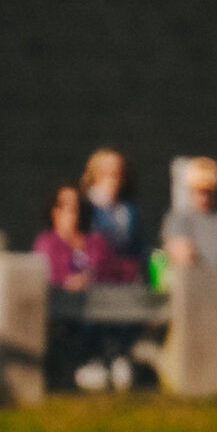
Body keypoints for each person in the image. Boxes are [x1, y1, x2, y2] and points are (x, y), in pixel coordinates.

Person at [35, 184, 136, 391]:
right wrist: (68, 282)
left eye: (78, 206)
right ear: (55, 211)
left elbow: (113, 270)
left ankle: (111, 363)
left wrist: (93, 277)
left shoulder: (95, 241)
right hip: (65, 315)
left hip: (102, 309)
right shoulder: (46, 243)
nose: (75, 211)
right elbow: (48, 275)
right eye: (68, 206)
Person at [79, 148, 144, 268]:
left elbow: (137, 247)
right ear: (96, 173)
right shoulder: (82, 205)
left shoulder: (129, 210)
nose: (115, 180)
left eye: (119, 174)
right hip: (92, 271)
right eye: (109, 173)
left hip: (124, 275)